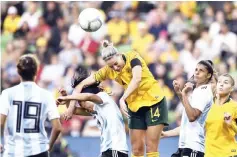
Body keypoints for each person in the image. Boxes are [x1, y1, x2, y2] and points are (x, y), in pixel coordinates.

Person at [63, 40, 169, 157]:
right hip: (135, 106)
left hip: (154, 101)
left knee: (151, 146)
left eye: (116, 64)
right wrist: (70, 106)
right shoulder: (108, 71)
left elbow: (137, 79)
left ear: (118, 55)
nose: (115, 68)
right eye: (111, 66)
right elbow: (80, 85)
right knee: (137, 150)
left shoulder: (133, 57)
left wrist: (123, 98)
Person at [57, 67, 129, 157]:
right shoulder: (98, 110)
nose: (82, 106)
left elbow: (88, 96)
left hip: (115, 150)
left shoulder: (103, 98)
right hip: (107, 151)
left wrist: (68, 98)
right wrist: (65, 96)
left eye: (82, 103)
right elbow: (74, 110)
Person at [0, 54, 62, 157]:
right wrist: (49, 146)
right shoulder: (46, 95)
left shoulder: (7, 93)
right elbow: (57, 127)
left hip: (13, 152)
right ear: (36, 71)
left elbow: (0, 122)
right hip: (39, 151)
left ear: (18, 71)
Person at [162, 60, 215, 157]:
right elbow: (189, 119)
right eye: (196, 69)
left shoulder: (204, 91)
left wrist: (184, 95)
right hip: (185, 146)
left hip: (193, 147)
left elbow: (192, 117)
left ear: (208, 75)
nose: (197, 72)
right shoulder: (198, 91)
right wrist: (179, 93)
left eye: (201, 70)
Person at [205, 74, 237, 157]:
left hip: (229, 153)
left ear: (232, 88)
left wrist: (231, 124)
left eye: (226, 82)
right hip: (209, 153)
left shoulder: (234, 107)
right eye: (219, 82)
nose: (221, 84)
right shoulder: (207, 104)